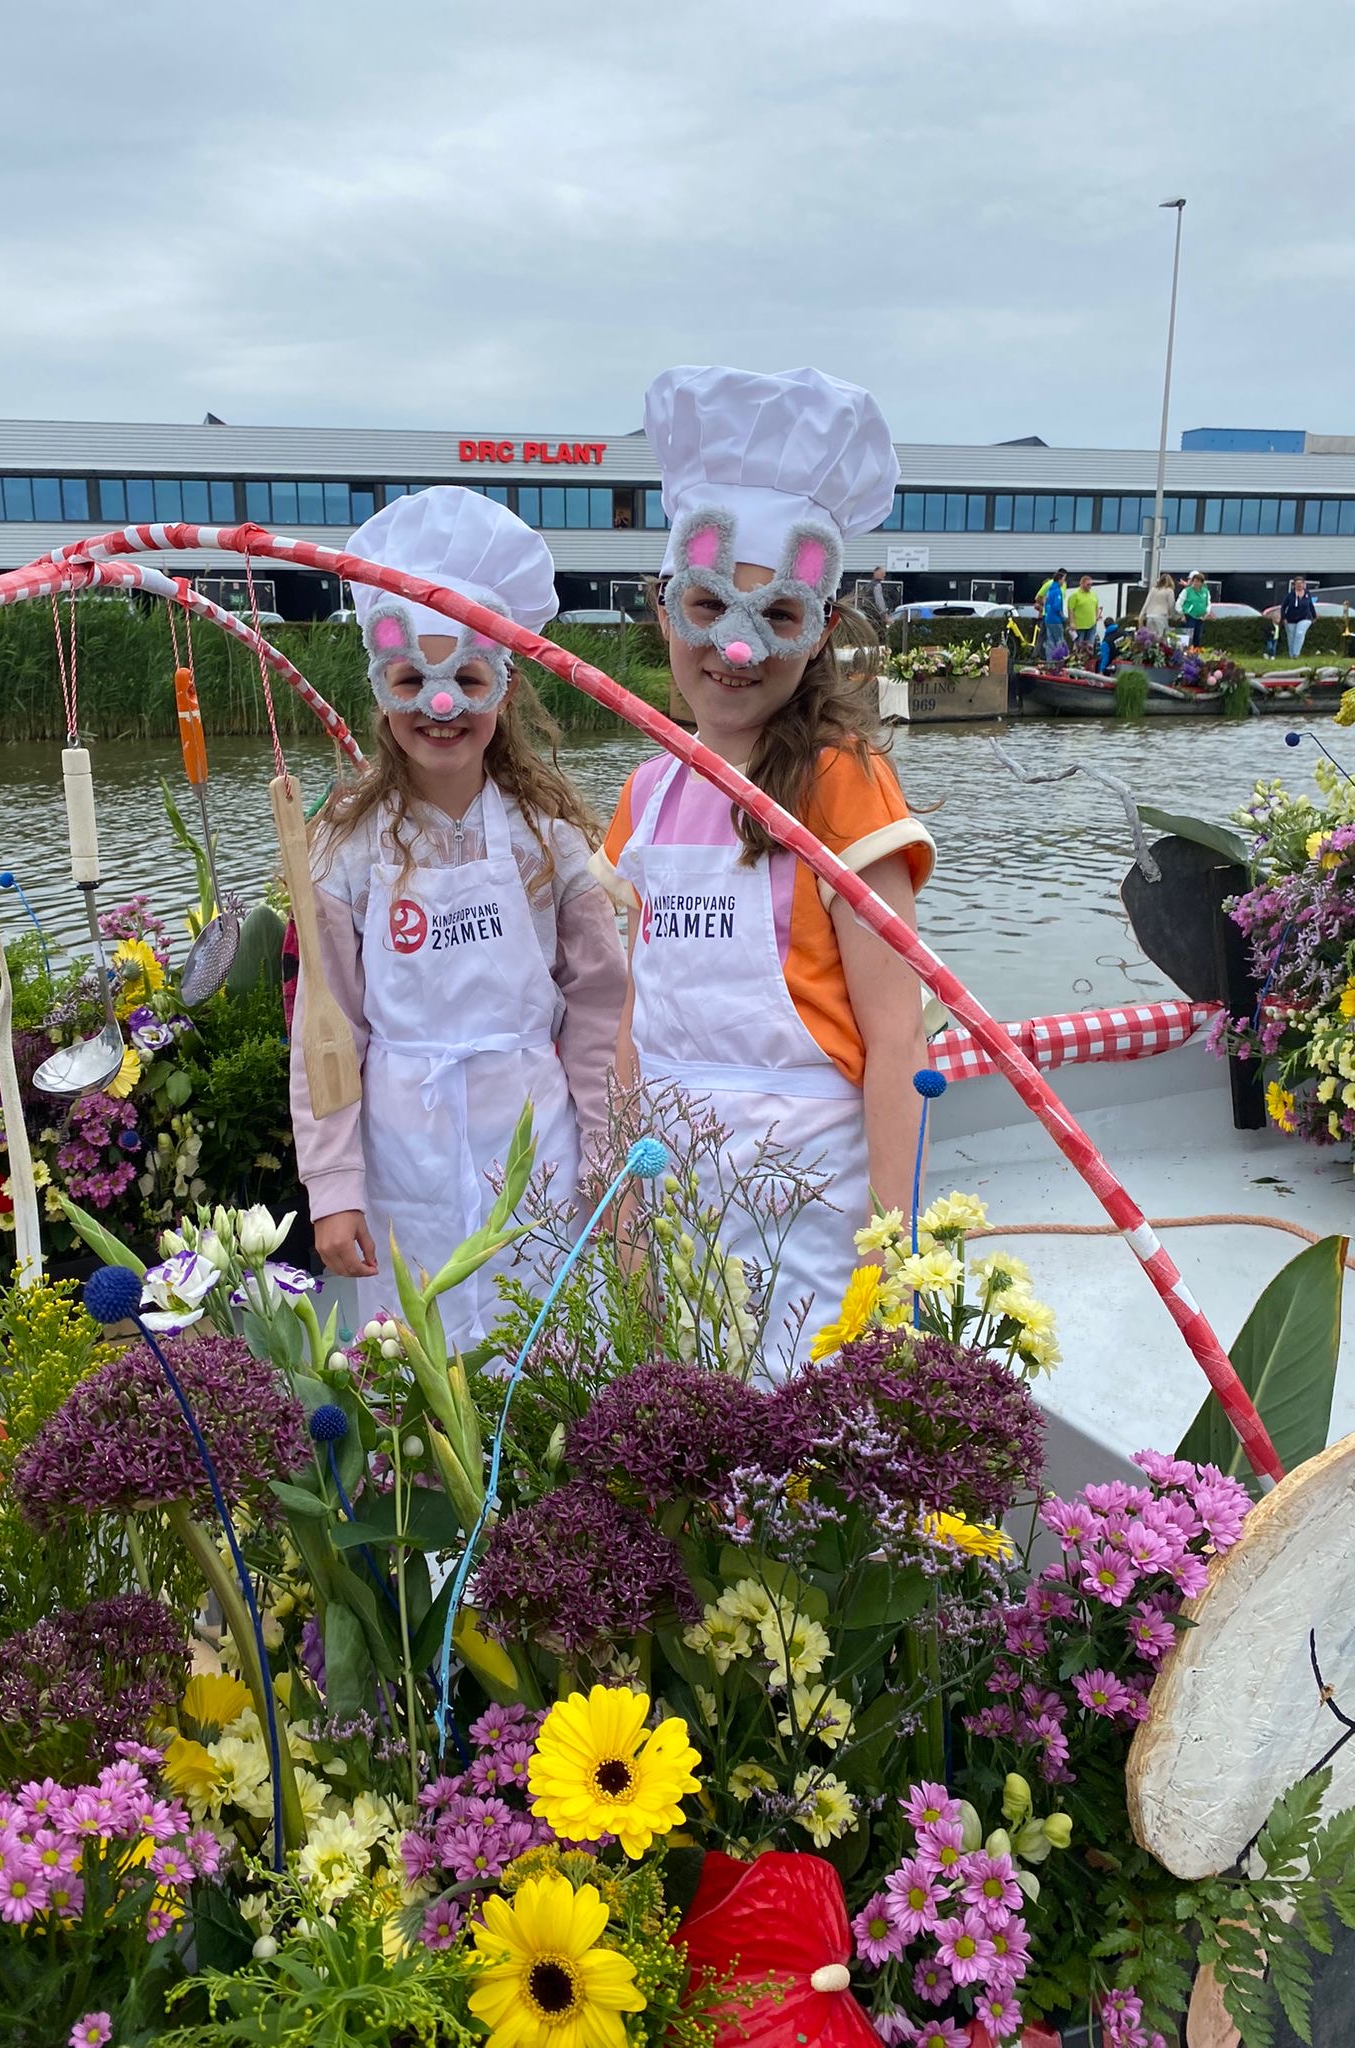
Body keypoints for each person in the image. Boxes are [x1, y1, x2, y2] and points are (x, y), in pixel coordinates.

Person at [600, 365, 935, 1373]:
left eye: (778, 616)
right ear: (667, 608)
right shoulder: (645, 796)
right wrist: (625, 1218)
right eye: (709, 605)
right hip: (677, 1191)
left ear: (822, 626)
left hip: (811, 1209)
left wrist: (890, 1258)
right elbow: (631, 1026)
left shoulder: (845, 783)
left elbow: (895, 1035)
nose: (737, 648)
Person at [289, 485, 626, 1343]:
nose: (443, 708)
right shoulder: (345, 848)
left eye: (468, 681)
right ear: (384, 686)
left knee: (546, 1346)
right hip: (403, 1149)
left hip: (535, 1138)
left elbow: (597, 1005)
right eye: (414, 681)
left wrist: (602, 1150)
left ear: (501, 692)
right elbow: (327, 1032)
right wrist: (334, 1190)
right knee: (418, 1361)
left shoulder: (548, 838)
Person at [1280, 577, 1318, 659]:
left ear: (1304, 584)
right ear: (1294, 585)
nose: (1299, 585)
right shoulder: (1290, 596)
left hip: (1305, 617)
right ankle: (1291, 656)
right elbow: (1283, 607)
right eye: (1297, 584)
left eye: (1301, 583)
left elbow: (1310, 605)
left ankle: (1296, 654)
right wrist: (1283, 618)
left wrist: (1314, 616)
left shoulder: (1307, 594)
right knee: (1291, 637)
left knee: (1299, 633)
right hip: (1290, 619)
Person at [1066, 574, 1101, 663]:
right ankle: (1077, 662)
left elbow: (1096, 606)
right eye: (1088, 584)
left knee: (1090, 646)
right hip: (1079, 625)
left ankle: (1089, 663)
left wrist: (1097, 615)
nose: (1090, 586)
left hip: (1091, 625)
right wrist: (1071, 622)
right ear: (1081, 584)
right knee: (1079, 646)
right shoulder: (1075, 595)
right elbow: (1070, 609)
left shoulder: (1094, 595)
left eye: (1091, 584)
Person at [858, 565, 893, 637]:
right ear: (878, 574)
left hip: (867, 616)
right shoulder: (877, 586)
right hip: (876, 617)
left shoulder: (868, 586)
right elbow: (879, 602)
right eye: (883, 573)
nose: (885, 575)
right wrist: (885, 615)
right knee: (879, 636)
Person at [1041, 570, 1068, 662]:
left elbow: (1046, 603)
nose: (1064, 582)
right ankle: (1060, 659)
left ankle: (1050, 660)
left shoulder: (1049, 590)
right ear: (1059, 580)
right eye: (1063, 579)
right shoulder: (1057, 591)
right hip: (1056, 620)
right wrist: (1063, 617)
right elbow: (1057, 607)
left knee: (1050, 641)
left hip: (1048, 619)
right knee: (1059, 640)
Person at [1178, 571, 1211, 647]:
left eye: (1198, 582)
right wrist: (1182, 615)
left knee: (1197, 638)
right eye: (1195, 581)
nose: (1196, 583)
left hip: (1200, 618)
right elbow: (1179, 603)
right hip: (1189, 617)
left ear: (1202, 583)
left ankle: (1195, 655)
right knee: (1188, 638)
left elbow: (1208, 603)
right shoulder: (1187, 591)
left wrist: (1206, 613)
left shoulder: (1205, 592)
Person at [1139, 572, 1175, 636]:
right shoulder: (1169, 591)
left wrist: (1141, 616)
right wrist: (1173, 616)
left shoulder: (1153, 590)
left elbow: (1146, 603)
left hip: (1150, 616)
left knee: (1151, 637)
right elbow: (1171, 605)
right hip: (1161, 616)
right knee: (1161, 637)